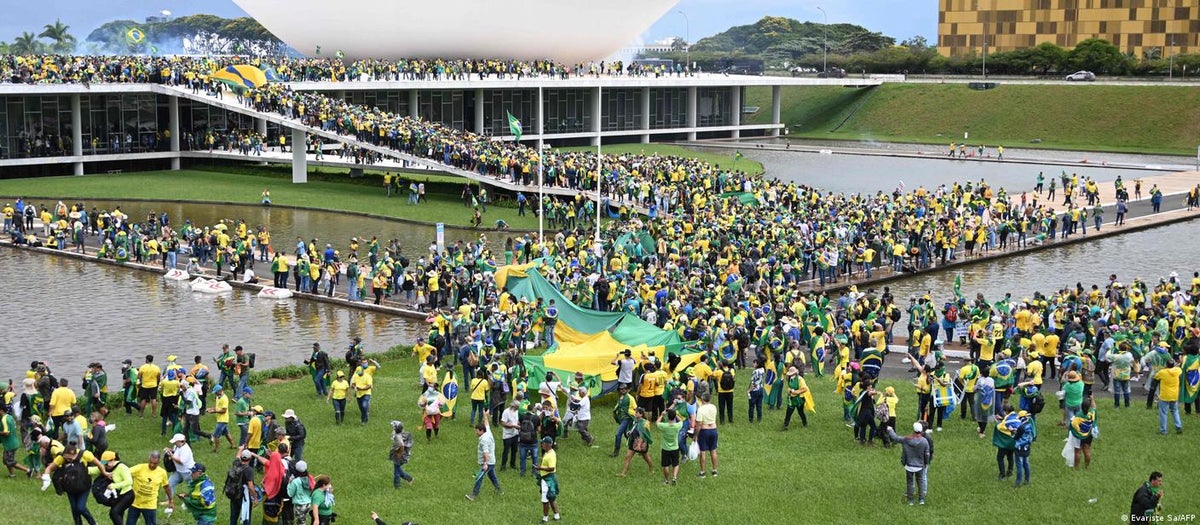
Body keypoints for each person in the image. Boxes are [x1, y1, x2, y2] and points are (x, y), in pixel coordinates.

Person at [42, 440, 107, 525]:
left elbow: (99, 464)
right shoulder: (62, 457)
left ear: (74, 453)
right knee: (74, 509)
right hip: (70, 486)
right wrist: (46, 478)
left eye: (69, 458)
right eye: (66, 458)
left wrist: (105, 473)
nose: (68, 460)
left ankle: (93, 522)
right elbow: (49, 468)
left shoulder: (85, 454)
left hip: (84, 485)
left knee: (80, 508)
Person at [887, 422, 930, 505]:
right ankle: (921, 499)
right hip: (920, 466)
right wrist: (926, 463)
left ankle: (911, 500)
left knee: (910, 482)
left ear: (914, 430)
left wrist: (890, 430)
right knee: (920, 482)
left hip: (909, 465)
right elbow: (927, 454)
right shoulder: (924, 441)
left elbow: (895, 438)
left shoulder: (907, 439)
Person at [125, 450, 173, 525]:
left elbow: (166, 487)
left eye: (155, 463)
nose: (152, 465)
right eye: (150, 462)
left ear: (159, 462)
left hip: (150, 505)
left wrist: (170, 500)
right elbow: (125, 472)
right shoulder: (140, 468)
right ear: (148, 459)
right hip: (135, 502)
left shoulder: (162, 472)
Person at [466, 410, 501, 501]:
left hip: (488, 462)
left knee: (479, 477)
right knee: (492, 475)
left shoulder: (484, 440)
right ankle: (499, 489)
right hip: (491, 461)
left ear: (481, 431)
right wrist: (485, 415)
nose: (475, 432)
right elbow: (486, 423)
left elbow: (486, 453)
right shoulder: (488, 432)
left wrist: (485, 464)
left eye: (477, 431)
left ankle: (473, 495)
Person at [618, 407, 653, 477]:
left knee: (646, 457)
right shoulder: (636, 421)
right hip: (633, 441)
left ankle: (651, 469)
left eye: (637, 412)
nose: (635, 413)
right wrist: (630, 432)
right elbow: (635, 428)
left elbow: (642, 435)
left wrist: (639, 445)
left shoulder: (644, 423)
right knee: (627, 457)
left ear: (641, 414)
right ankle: (623, 473)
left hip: (641, 443)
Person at [102, 451, 134, 525]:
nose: (105, 466)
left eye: (106, 464)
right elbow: (96, 469)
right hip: (117, 496)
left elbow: (129, 481)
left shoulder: (122, 467)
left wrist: (114, 486)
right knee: (119, 515)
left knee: (114, 513)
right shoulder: (107, 467)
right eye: (104, 464)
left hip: (127, 495)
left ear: (113, 460)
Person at [226, 450, 257, 525]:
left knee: (233, 517)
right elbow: (250, 486)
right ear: (250, 459)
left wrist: (240, 449)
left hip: (234, 494)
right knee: (246, 517)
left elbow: (237, 456)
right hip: (244, 497)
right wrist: (255, 497)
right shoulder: (249, 470)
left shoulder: (235, 464)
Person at [0, 402, 32, 477]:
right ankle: (11, 474)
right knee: (6, 460)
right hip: (13, 442)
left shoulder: (4, 420)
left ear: (1, 411)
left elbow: (6, 432)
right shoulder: (9, 416)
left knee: (9, 461)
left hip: (10, 444)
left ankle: (28, 470)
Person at [533, 436, 560, 523]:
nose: (542, 444)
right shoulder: (548, 452)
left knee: (545, 500)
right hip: (546, 479)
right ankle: (556, 515)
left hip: (548, 480)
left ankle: (545, 518)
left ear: (548, 445)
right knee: (551, 498)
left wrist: (540, 468)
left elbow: (552, 468)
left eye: (543, 443)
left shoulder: (550, 455)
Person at [1153, 360, 1183, 435]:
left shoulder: (1162, 372)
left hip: (1164, 395)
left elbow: (1156, 377)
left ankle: (1163, 430)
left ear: (1166, 365)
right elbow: (1179, 369)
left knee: (1163, 413)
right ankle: (1178, 426)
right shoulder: (1178, 370)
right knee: (1175, 411)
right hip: (1174, 395)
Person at [656, 408, 684, 485]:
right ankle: (674, 477)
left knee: (666, 465)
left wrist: (662, 415)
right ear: (674, 417)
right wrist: (676, 414)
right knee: (676, 464)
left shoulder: (663, 426)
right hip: (675, 448)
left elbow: (657, 422)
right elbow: (681, 420)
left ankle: (666, 480)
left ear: (667, 417)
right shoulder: (677, 426)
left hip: (665, 448)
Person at [695, 393, 719, 478]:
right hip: (713, 429)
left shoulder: (701, 409)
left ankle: (702, 472)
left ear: (702, 399)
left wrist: (695, 435)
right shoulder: (714, 407)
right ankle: (714, 470)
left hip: (704, 431)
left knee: (703, 452)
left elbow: (699, 424)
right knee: (713, 450)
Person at [286, 461, 318, 525]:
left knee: (300, 523)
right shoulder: (310, 478)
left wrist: (289, 483)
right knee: (303, 520)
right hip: (308, 504)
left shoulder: (296, 481)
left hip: (300, 506)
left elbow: (290, 494)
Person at [205, 385, 235, 453]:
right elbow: (217, 407)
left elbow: (224, 410)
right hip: (220, 419)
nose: (215, 393)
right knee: (226, 433)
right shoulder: (218, 397)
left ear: (220, 390)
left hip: (223, 420)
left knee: (216, 435)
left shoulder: (224, 398)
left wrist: (213, 411)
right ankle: (233, 445)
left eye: (216, 392)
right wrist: (211, 408)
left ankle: (216, 449)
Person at [610, 384, 636, 457]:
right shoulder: (621, 397)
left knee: (618, 434)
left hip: (627, 418)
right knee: (627, 434)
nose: (623, 390)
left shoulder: (630, 398)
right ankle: (636, 447)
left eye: (624, 389)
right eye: (621, 389)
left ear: (627, 389)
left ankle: (616, 452)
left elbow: (635, 408)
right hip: (622, 419)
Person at [782, 365, 810, 430]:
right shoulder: (790, 378)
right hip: (791, 398)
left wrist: (796, 392)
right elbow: (790, 386)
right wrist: (789, 391)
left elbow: (805, 389)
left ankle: (805, 423)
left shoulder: (800, 379)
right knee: (789, 412)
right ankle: (785, 425)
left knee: (800, 412)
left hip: (799, 399)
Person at [389, 420, 414, 488]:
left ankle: (397, 486)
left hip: (399, 455)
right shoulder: (401, 434)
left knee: (396, 472)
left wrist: (399, 454)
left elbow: (402, 445)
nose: (393, 428)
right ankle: (409, 478)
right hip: (398, 454)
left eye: (394, 427)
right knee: (398, 469)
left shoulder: (398, 437)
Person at [499, 401, 520, 471]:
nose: (517, 409)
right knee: (506, 450)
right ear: (513, 406)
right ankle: (503, 466)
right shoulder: (506, 412)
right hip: (507, 435)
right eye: (516, 408)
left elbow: (516, 420)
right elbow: (503, 423)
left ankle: (512, 464)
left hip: (515, 434)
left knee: (514, 450)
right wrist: (513, 426)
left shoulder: (516, 411)